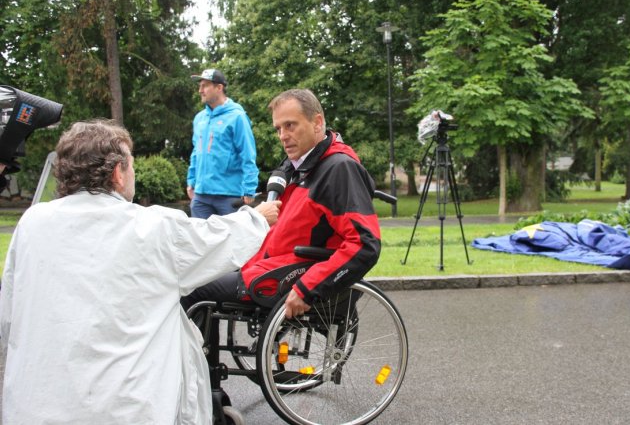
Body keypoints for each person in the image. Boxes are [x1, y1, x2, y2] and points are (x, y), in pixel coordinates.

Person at [0, 120, 280, 424]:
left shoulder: (32, 223)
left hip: (33, 407)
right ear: (118, 173)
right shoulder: (150, 227)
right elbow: (217, 238)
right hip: (124, 410)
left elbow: (9, 315)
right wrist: (257, 218)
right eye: (131, 165)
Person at [181, 88, 381, 319]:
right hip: (268, 262)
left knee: (191, 287)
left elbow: (365, 245)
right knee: (195, 270)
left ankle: (193, 355)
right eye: (278, 128)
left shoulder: (338, 169)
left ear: (317, 123)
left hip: (286, 274)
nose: (282, 136)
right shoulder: (301, 166)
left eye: (290, 125)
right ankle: (201, 353)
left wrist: (308, 288)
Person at [187, 68, 259, 219]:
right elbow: (196, 152)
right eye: (199, 86)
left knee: (233, 241)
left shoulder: (237, 117)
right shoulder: (199, 119)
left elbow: (248, 154)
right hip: (201, 196)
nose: (200, 90)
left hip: (229, 196)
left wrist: (249, 188)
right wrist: (191, 181)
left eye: (205, 85)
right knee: (199, 240)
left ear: (219, 87)